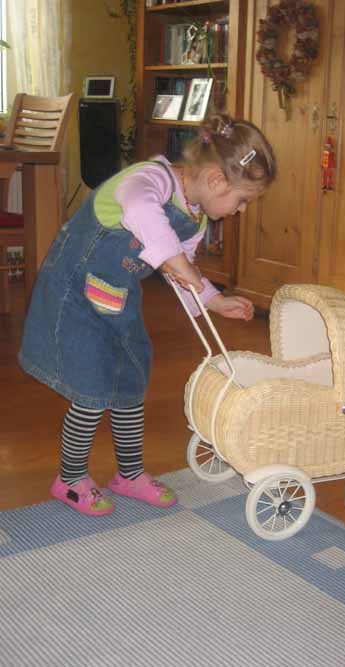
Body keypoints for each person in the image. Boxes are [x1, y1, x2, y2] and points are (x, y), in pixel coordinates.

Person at [18, 113, 277, 516]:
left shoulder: (194, 217)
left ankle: (129, 474)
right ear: (216, 180)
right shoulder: (149, 180)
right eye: (242, 200)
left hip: (116, 298)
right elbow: (142, 211)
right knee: (91, 389)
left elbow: (180, 271)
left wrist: (212, 300)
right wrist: (181, 264)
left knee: (130, 379)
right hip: (74, 295)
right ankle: (69, 479)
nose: (241, 210)